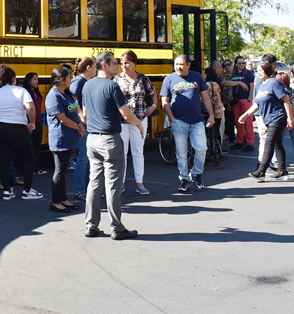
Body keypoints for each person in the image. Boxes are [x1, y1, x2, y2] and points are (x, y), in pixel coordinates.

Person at [81, 51, 143, 240]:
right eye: (115, 63)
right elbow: (126, 114)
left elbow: (84, 116)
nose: (118, 66)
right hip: (110, 139)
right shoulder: (112, 86)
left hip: (92, 139)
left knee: (94, 184)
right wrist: (139, 124)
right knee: (113, 185)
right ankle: (117, 227)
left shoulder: (86, 85)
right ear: (105, 65)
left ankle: (91, 225)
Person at [0, 64, 42, 200]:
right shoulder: (21, 91)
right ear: (14, 79)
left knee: (4, 160)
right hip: (17, 128)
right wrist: (32, 123)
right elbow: (30, 108)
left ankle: (7, 190)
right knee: (29, 158)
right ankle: (27, 190)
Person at [160, 54, 215, 193]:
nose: (178, 67)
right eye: (176, 64)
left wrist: (211, 115)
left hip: (197, 121)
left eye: (181, 64)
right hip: (179, 122)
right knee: (181, 153)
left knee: (202, 148)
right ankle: (184, 179)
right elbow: (164, 102)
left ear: (188, 65)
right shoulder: (169, 79)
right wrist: (172, 119)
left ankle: (196, 174)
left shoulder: (197, 77)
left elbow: (206, 98)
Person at [239, 59, 294, 182]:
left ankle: (261, 171)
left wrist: (290, 118)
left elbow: (286, 100)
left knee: (269, 143)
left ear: (267, 70)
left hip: (278, 117)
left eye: (261, 71)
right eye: (257, 71)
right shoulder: (261, 86)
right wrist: (246, 115)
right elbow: (257, 104)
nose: (258, 73)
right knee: (277, 143)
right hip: (268, 119)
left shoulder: (275, 83)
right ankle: (282, 171)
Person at [114, 51, 156, 195]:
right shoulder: (116, 79)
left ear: (134, 63)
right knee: (122, 153)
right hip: (122, 122)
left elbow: (153, 93)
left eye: (126, 62)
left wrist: (154, 106)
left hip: (140, 120)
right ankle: (122, 184)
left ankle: (140, 184)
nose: (123, 66)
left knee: (138, 152)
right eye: (121, 63)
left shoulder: (143, 78)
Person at [46, 66, 83, 213]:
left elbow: (74, 109)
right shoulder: (53, 96)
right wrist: (78, 127)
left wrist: (79, 123)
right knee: (59, 170)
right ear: (61, 80)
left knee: (63, 171)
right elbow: (62, 119)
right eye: (69, 77)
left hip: (69, 138)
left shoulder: (66, 94)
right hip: (60, 139)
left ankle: (63, 199)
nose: (71, 80)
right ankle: (55, 202)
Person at [71, 57, 96, 200]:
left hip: (88, 124)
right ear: (88, 68)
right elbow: (72, 99)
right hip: (83, 125)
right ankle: (79, 189)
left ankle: (88, 187)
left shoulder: (86, 81)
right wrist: (81, 115)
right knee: (83, 157)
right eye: (94, 67)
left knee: (88, 158)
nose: (95, 70)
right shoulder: (79, 81)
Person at [275, 71, 294, 172]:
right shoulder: (293, 91)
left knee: (278, 141)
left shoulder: (281, 91)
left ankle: (276, 162)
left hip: (286, 118)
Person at [228, 56, 256, 152]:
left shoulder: (248, 74)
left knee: (248, 122)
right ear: (236, 64)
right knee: (238, 121)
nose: (242, 65)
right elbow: (231, 89)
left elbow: (252, 87)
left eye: (243, 63)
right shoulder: (234, 74)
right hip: (236, 100)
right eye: (239, 63)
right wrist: (229, 102)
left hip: (245, 99)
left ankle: (250, 143)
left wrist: (249, 99)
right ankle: (240, 141)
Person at [23, 72, 46, 176]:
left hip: (39, 122)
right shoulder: (26, 93)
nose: (37, 81)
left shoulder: (37, 92)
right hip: (30, 123)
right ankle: (29, 168)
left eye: (37, 79)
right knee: (29, 147)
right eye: (34, 79)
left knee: (37, 146)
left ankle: (36, 168)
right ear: (29, 81)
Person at [204, 67, 225, 159]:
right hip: (219, 110)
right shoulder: (216, 84)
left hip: (212, 110)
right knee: (216, 132)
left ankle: (212, 151)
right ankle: (218, 151)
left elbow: (207, 97)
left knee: (209, 132)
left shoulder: (208, 84)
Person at [221, 58, 236, 146]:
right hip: (225, 101)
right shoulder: (222, 76)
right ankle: (230, 137)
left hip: (235, 100)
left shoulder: (235, 75)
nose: (227, 67)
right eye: (225, 65)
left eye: (229, 65)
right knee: (228, 120)